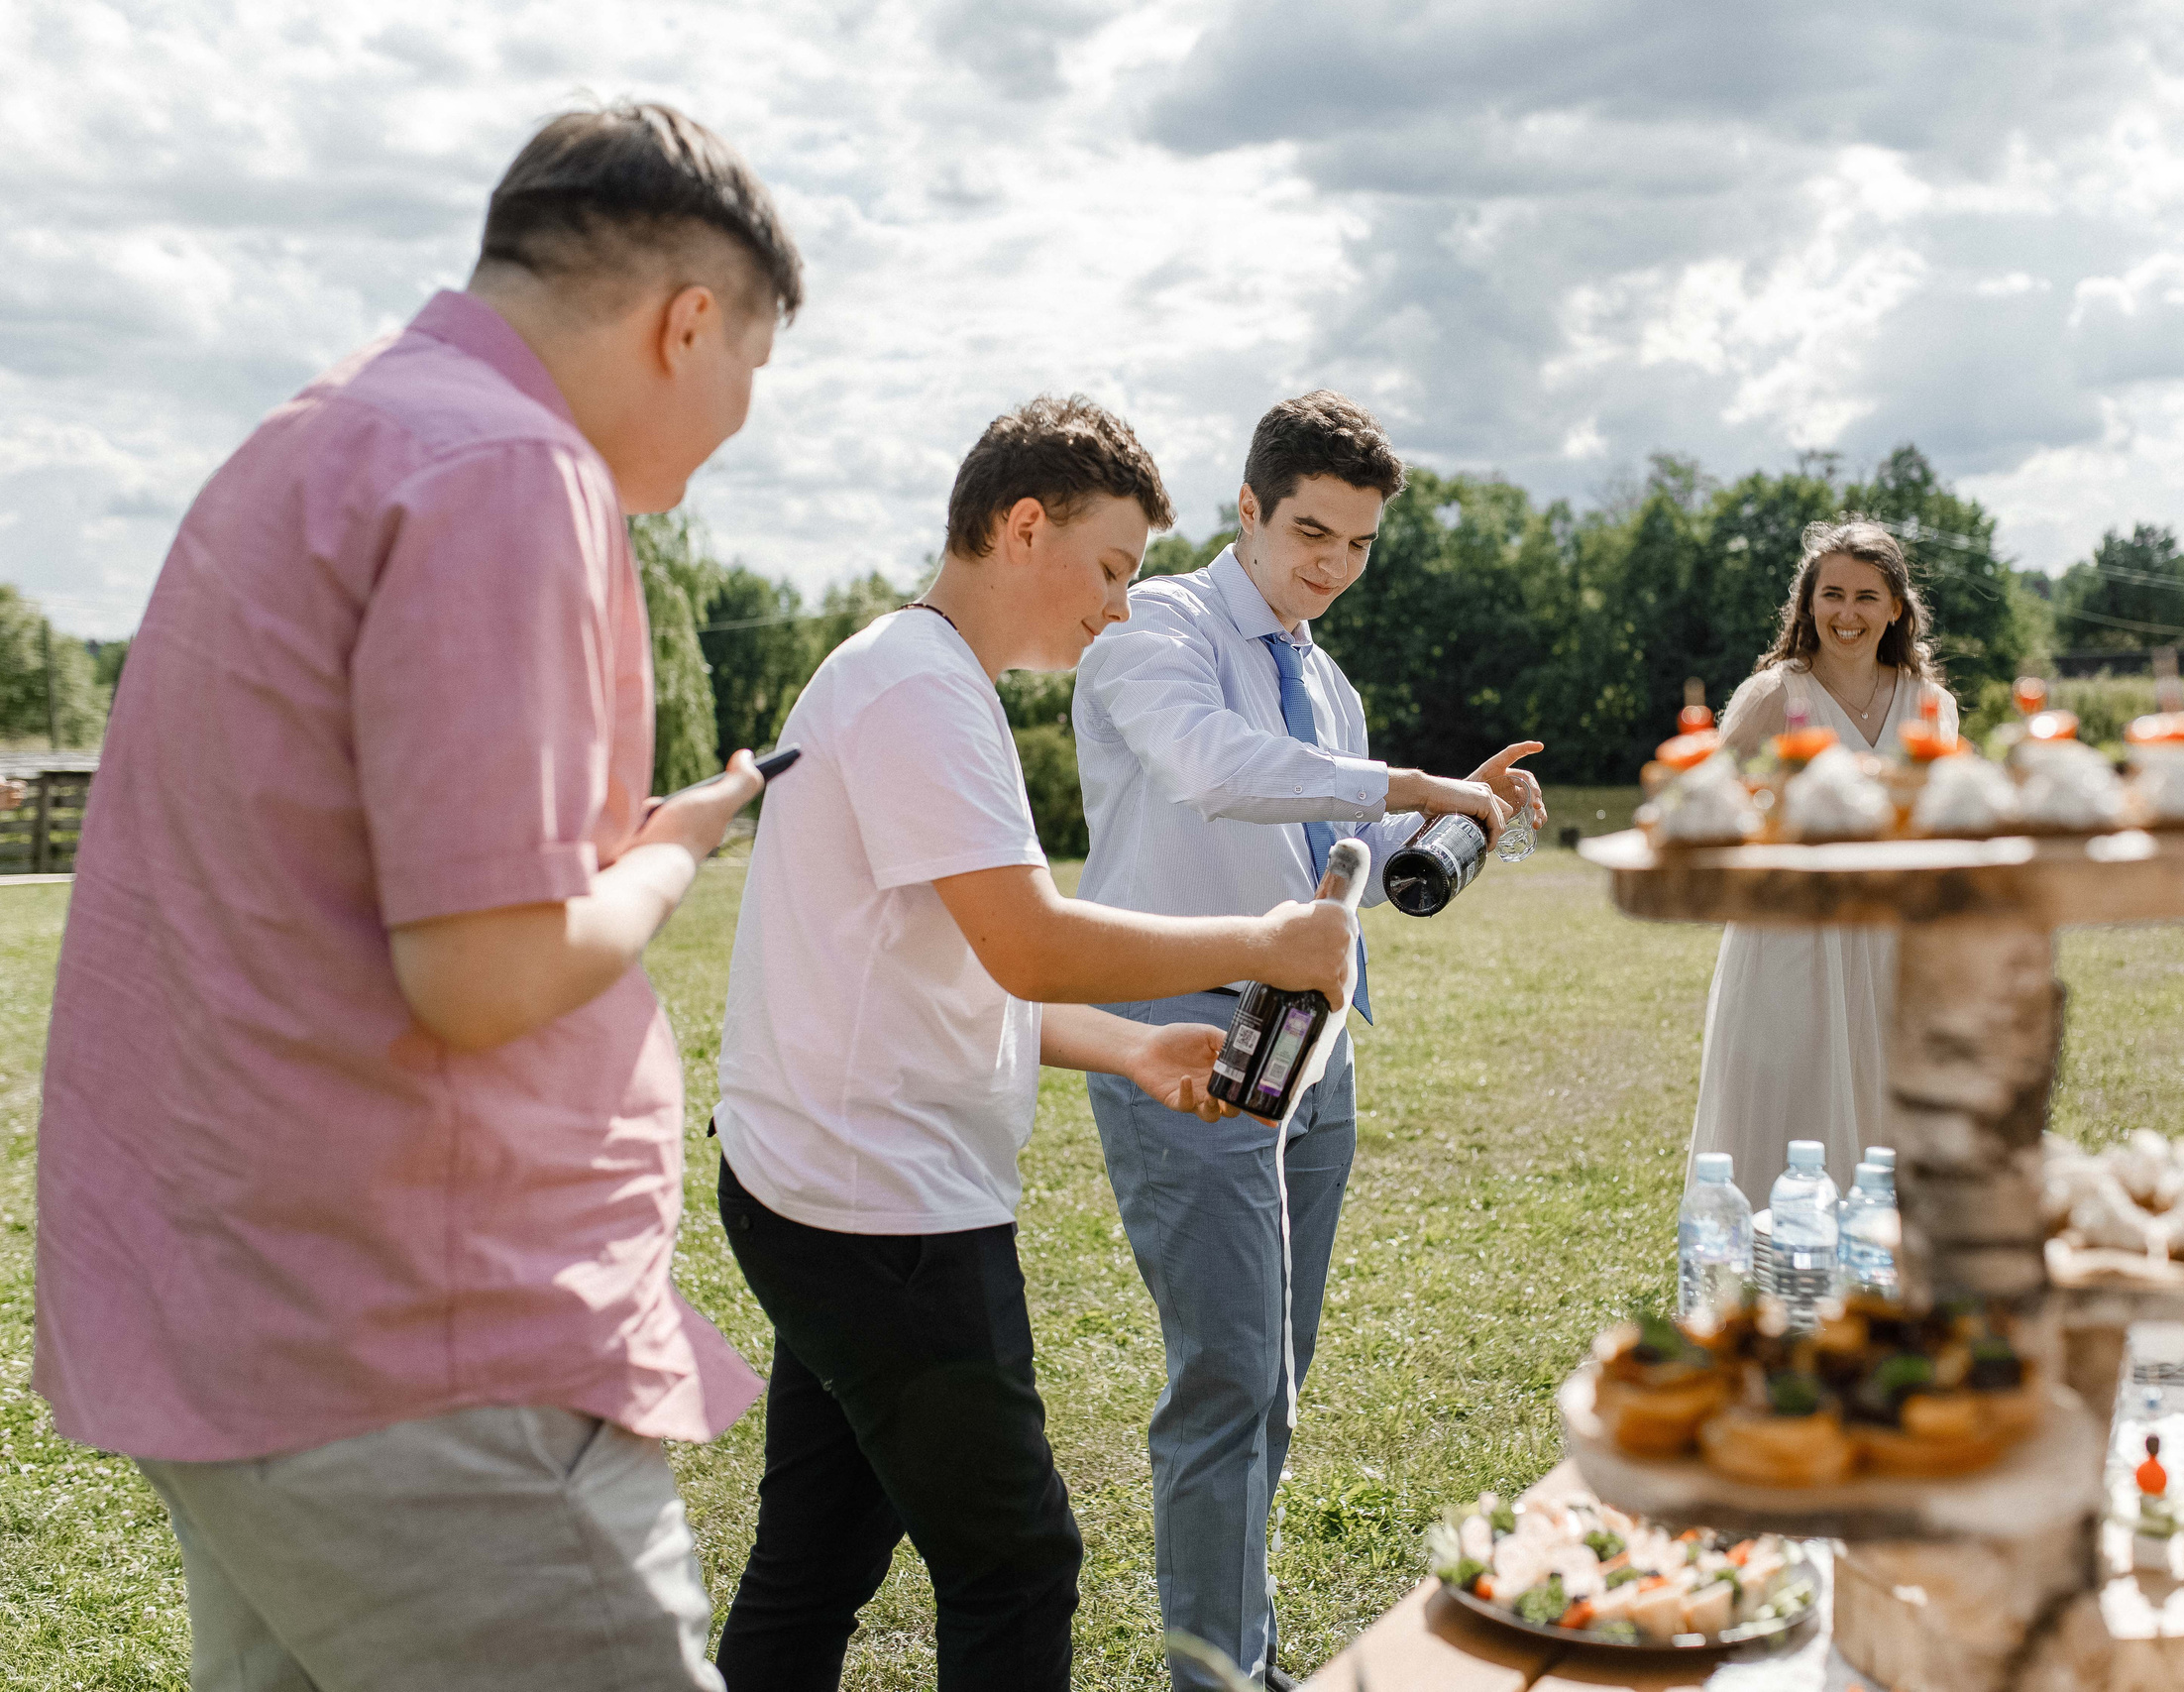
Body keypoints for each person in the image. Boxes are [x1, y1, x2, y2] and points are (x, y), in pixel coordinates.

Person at [33, 104, 799, 1689]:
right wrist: (674, 851)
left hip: (242, 1325)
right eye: (754, 374)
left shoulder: (312, 438)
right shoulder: (513, 466)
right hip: (423, 1367)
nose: (738, 423)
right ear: (689, 322)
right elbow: (484, 972)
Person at [709, 394, 1357, 1692]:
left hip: (832, 1185)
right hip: (883, 1211)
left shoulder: (918, 676)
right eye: (1111, 566)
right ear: (1022, 525)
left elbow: (958, 967)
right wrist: (1270, 940)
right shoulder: (917, 692)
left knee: (817, 1554)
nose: (1118, 605)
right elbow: (1033, 940)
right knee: (1015, 1567)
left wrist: (1130, 1050)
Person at [1071, 390, 1545, 1691]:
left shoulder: (1324, 677)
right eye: (1309, 531)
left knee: (1274, 1374)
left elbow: (1354, 852)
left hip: (1311, 1052)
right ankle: (1217, 1678)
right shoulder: (1153, 624)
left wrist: (1465, 812)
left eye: (1357, 543)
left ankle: (1245, 1654)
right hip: (1183, 1035)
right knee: (1228, 1378)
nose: (1330, 563)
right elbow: (1220, 769)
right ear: (1249, 508)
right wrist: (1402, 782)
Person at [1689, 517, 1958, 1208]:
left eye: (1867, 596)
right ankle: (1765, 1277)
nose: (1847, 613)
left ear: (1897, 607)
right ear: (1807, 603)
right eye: (1831, 593)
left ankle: (1881, 1281)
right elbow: (1706, 798)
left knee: (1887, 1113)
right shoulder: (1778, 695)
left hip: (1894, 945)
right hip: (1791, 940)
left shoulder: (1932, 707)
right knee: (1789, 1111)